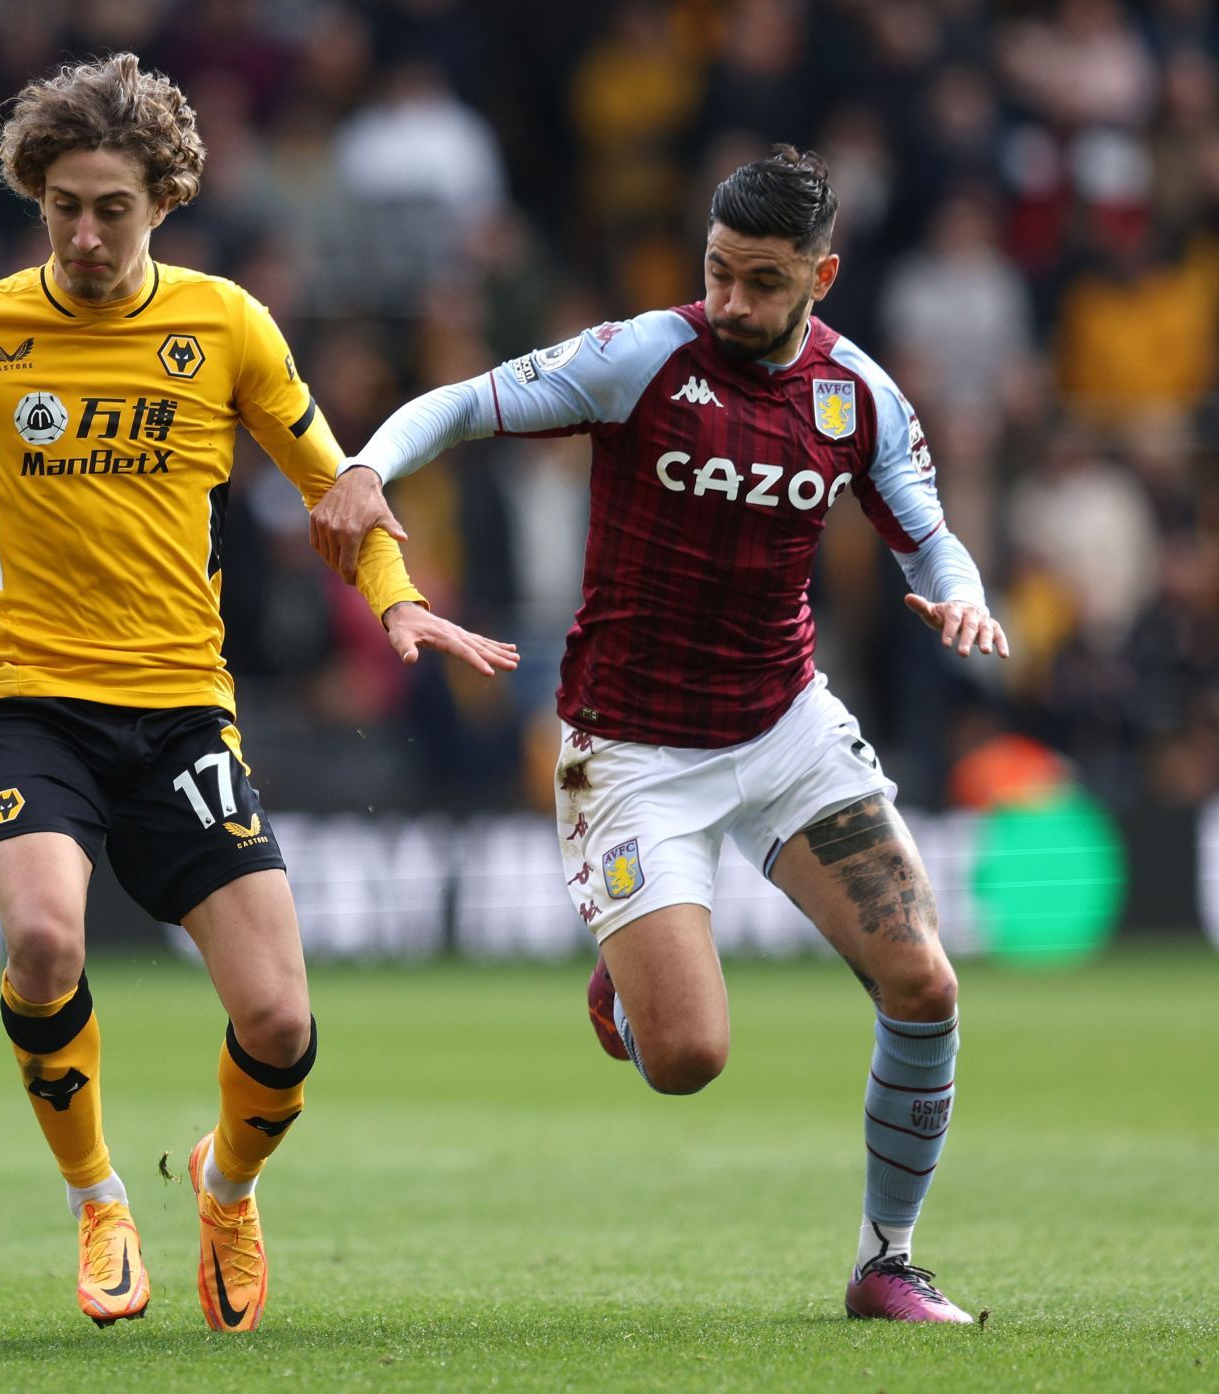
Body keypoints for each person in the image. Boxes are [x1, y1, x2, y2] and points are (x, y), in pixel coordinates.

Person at [0, 53, 516, 1333]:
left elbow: (337, 482)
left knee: (282, 1021)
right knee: (45, 940)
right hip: (28, 699)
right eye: (62, 203)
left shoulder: (225, 325)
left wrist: (397, 594)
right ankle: (98, 1197)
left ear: (164, 198)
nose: (83, 231)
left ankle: (224, 1186)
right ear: (34, 195)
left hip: (185, 709)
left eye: (111, 206)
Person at [311, 147, 1008, 1324]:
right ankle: (630, 986)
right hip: (631, 750)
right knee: (685, 1057)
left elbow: (930, 538)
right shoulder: (641, 357)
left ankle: (887, 1260)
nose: (731, 301)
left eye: (762, 282)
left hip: (785, 728)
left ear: (822, 276)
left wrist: (965, 593)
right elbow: (466, 401)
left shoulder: (860, 400)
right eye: (717, 272)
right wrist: (369, 465)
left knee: (924, 980)